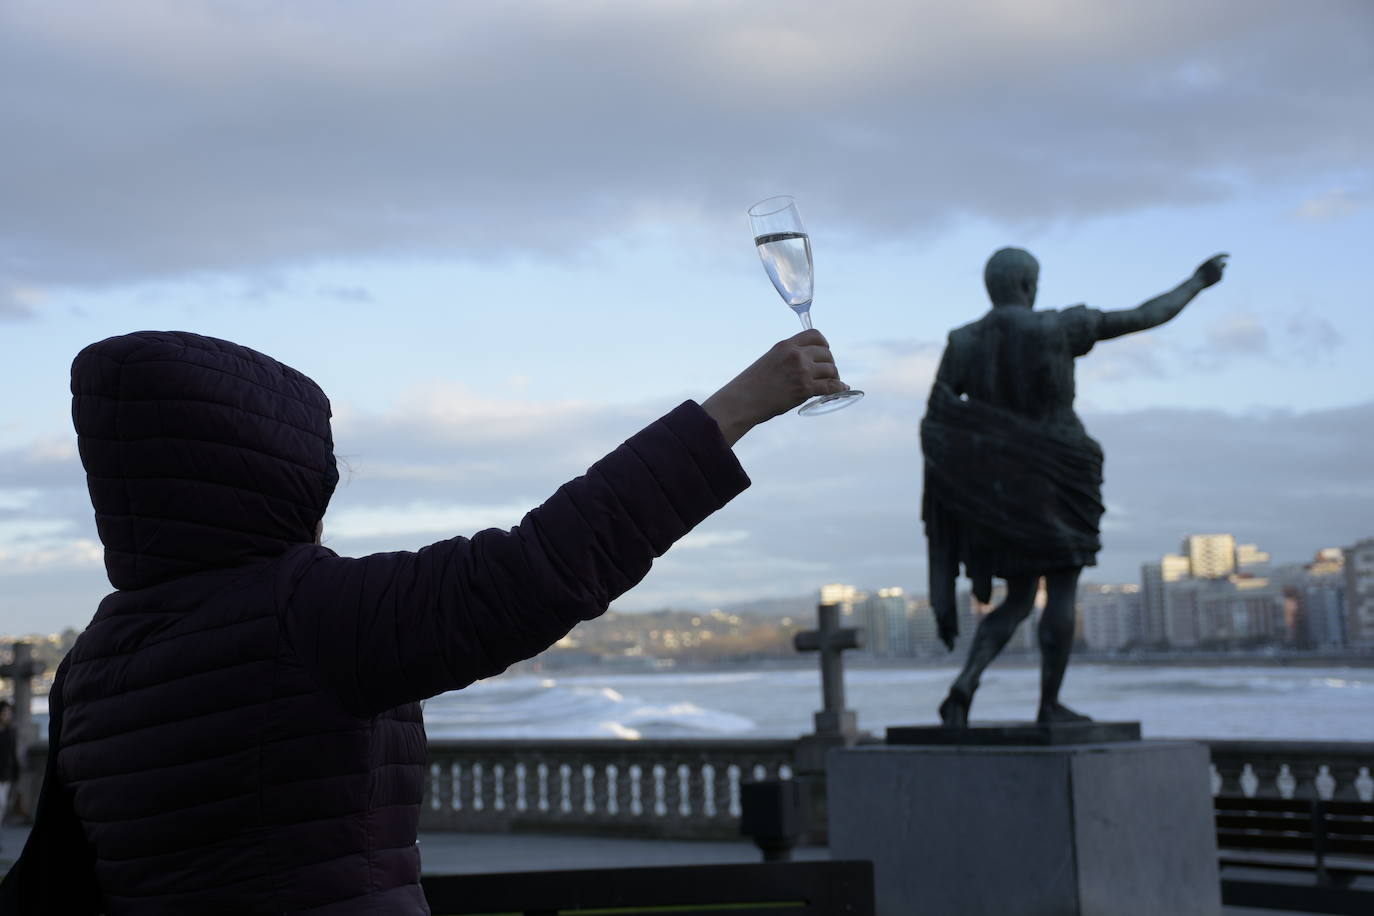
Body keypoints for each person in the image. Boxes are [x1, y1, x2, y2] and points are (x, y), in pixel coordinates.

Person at [1, 327, 850, 915]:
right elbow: (535, 571)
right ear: (271, 476)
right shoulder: (306, 614)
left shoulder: (96, 661)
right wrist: (738, 407)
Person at [923, 248, 1227, 727]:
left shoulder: (963, 341)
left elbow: (937, 422)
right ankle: (1049, 705)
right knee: (1061, 589)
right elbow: (1146, 316)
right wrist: (1197, 282)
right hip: (1060, 473)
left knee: (1019, 599)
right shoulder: (1059, 327)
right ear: (1027, 284)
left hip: (1002, 492)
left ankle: (965, 684)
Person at [0, 700, 17, 853]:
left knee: (2, 806)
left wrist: (15, 774)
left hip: (6, 776)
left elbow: (12, 754)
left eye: (9, 713)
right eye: (5, 713)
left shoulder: (11, 731)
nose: (7, 716)